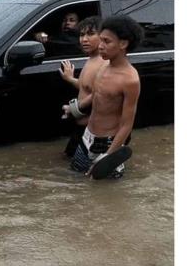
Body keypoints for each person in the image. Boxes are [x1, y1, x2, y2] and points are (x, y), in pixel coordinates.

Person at [67, 15, 142, 178]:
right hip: (87, 137)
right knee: (76, 181)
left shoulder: (130, 79)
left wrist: (109, 155)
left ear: (123, 44)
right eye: (100, 40)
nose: (100, 46)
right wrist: (74, 109)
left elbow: (126, 125)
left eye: (106, 42)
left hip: (107, 144)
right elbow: (95, 95)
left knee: (108, 193)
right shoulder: (103, 67)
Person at [58, 16, 107, 158]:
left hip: (92, 132)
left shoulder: (103, 64)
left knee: (78, 171)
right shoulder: (91, 59)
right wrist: (70, 79)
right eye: (81, 34)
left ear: (103, 37)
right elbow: (86, 87)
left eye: (90, 34)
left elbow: (98, 95)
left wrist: (74, 109)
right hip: (81, 128)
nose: (84, 39)